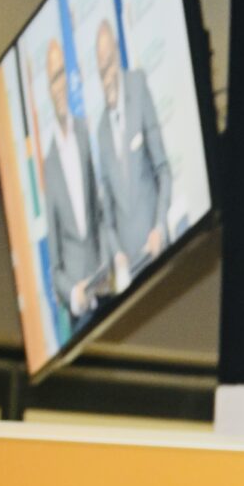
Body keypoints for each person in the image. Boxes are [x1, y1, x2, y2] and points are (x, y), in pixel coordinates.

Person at [91, 18, 172, 288]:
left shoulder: (138, 86)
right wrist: (117, 254)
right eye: (101, 72)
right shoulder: (101, 130)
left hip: (162, 256)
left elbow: (163, 170)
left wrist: (159, 227)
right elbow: (107, 218)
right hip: (133, 279)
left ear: (117, 53)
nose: (108, 78)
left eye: (110, 64)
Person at [35, 39, 103, 326]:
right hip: (81, 311)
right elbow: (55, 266)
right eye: (54, 79)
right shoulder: (48, 165)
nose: (60, 85)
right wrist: (73, 294)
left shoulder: (87, 133)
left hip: (109, 286)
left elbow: (102, 212)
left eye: (62, 74)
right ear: (49, 90)